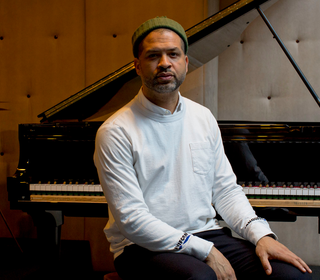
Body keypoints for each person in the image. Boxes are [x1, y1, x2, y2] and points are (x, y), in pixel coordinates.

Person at [94, 16, 312, 280]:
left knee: (292, 277)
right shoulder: (115, 131)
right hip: (141, 247)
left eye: (173, 54)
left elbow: (226, 192)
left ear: (185, 63)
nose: (165, 63)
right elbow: (133, 221)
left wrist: (261, 235)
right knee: (201, 279)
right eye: (154, 56)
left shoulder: (203, 117)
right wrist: (205, 251)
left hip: (207, 233)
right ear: (138, 66)